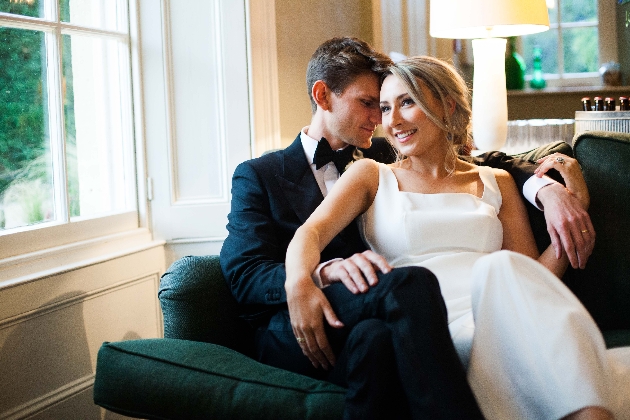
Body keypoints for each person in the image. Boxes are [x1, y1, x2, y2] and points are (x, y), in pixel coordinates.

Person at [220, 37, 595, 419]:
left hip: (384, 316)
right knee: (409, 286)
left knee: (376, 342)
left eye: (398, 104)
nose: (383, 120)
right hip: (315, 311)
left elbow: (494, 162)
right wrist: (309, 277)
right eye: (373, 104)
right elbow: (245, 271)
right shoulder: (262, 175)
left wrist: (547, 189)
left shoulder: (386, 152)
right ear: (323, 95)